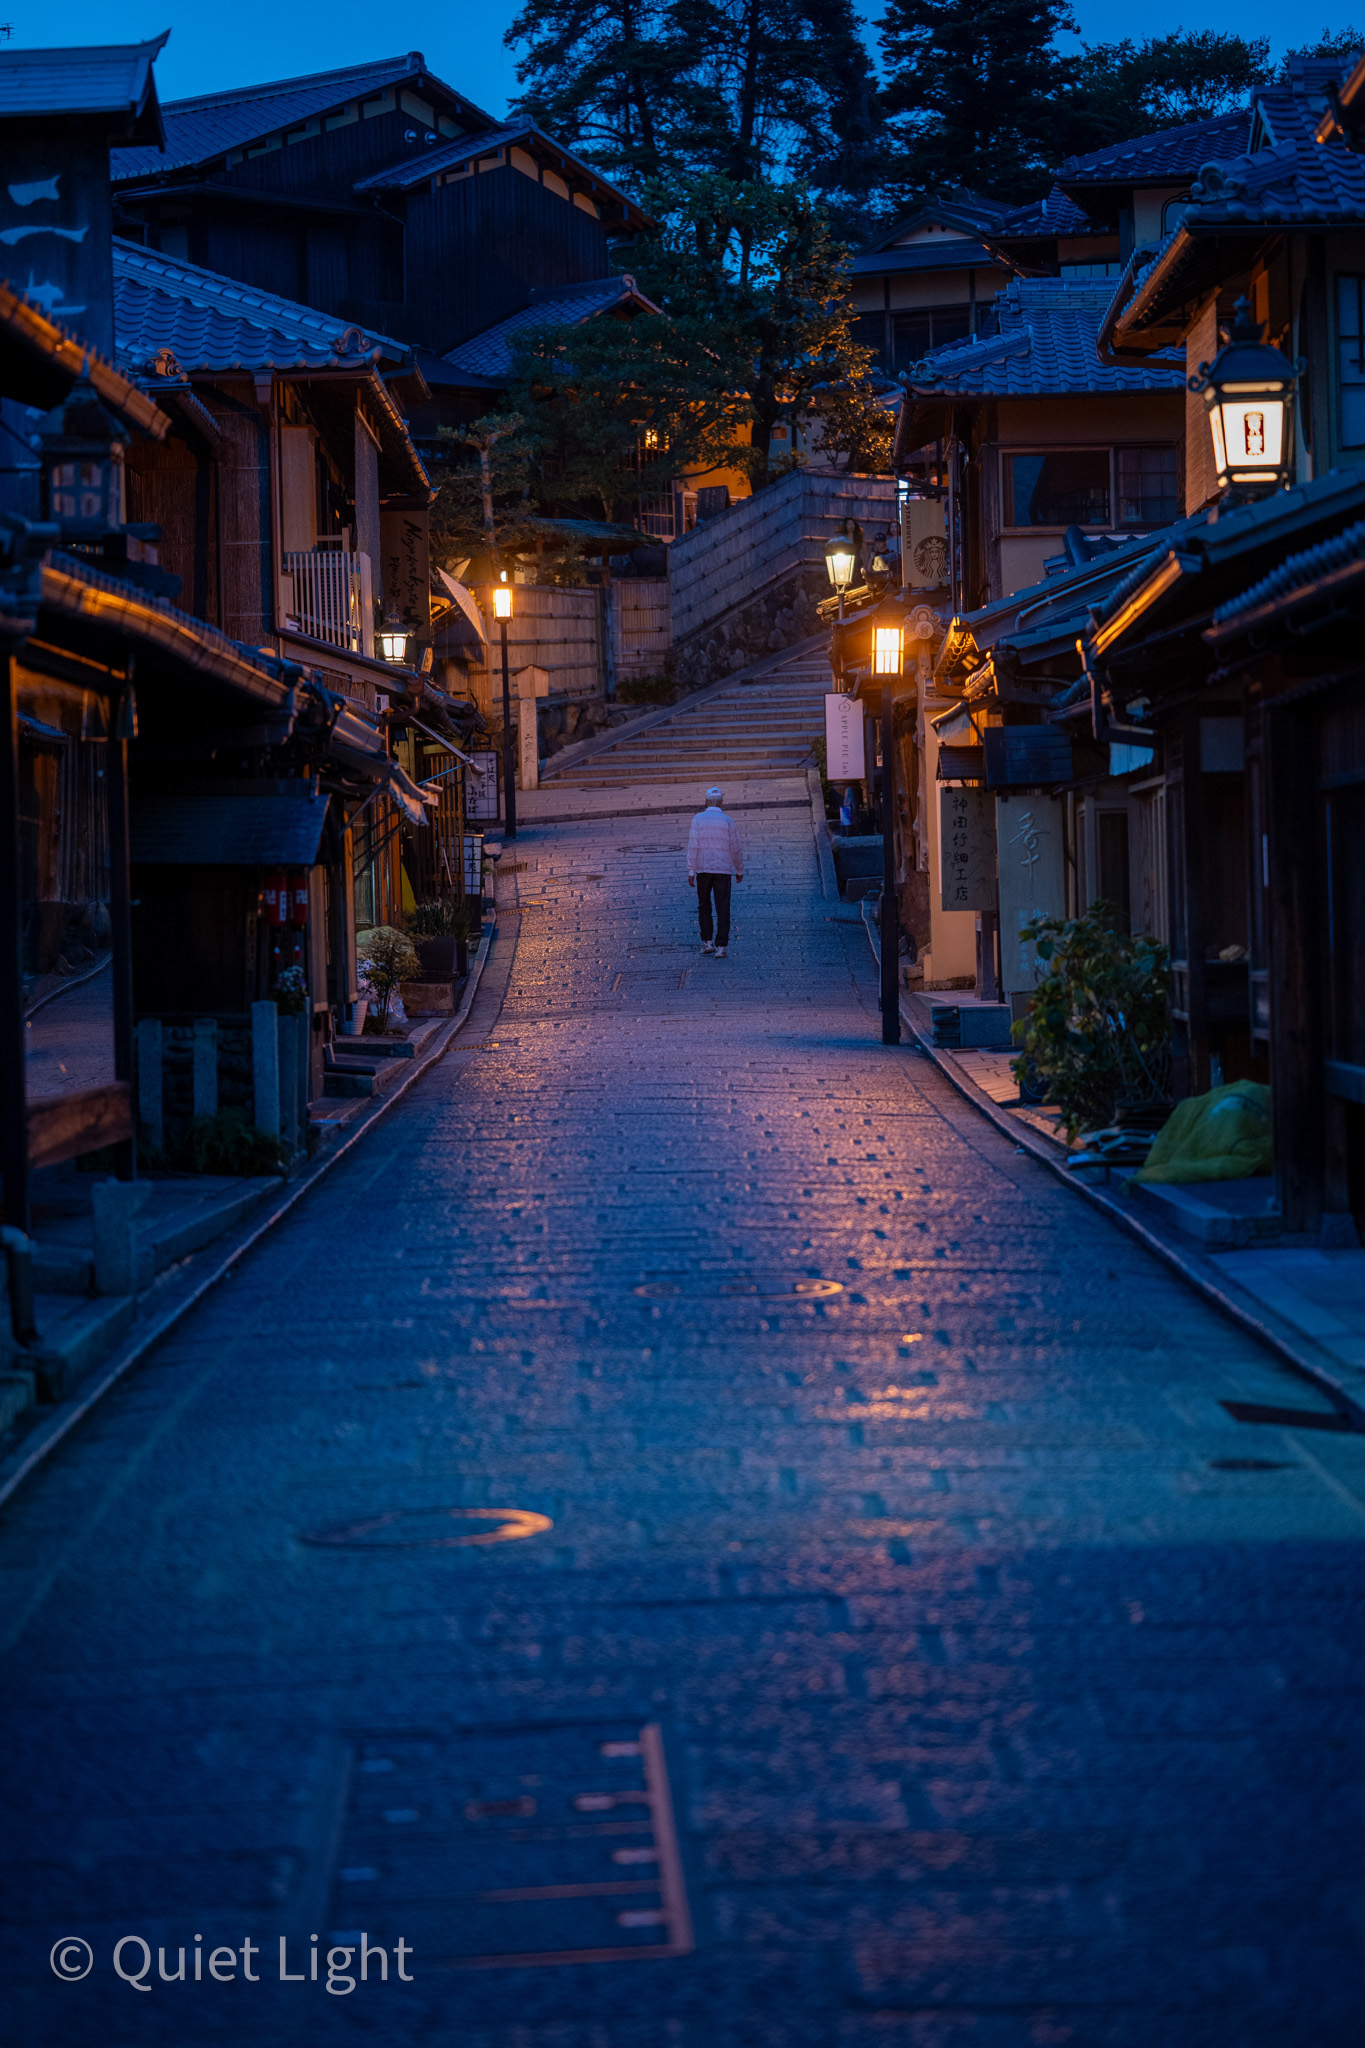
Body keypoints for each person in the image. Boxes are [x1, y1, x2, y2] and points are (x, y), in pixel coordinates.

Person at [687, 786, 744, 956]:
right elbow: (736, 848)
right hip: (723, 869)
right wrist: (739, 868)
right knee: (723, 907)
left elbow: (693, 845)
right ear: (722, 803)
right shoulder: (728, 821)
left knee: (704, 905)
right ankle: (722, 947)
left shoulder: (698, 819)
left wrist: (691, 871)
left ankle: (707, 942)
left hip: (703, 869)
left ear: (705, 802)